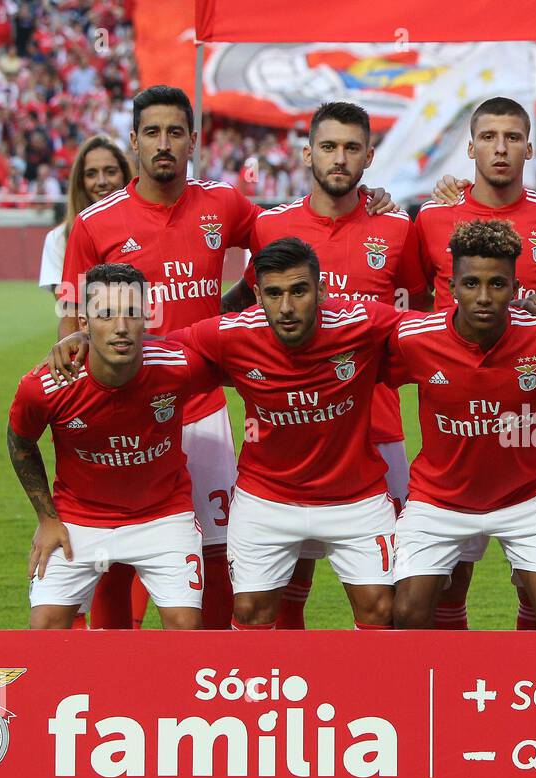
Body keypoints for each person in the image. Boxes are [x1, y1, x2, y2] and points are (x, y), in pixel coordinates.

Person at [48, 239, 416, 631]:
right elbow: (156, 348)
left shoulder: (362, 323)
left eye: (299, 291)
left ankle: (366, 693)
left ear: (321, 290)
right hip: (267, 498)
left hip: (354, 496)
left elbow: (433, 332)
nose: (287, 307)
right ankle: (258, 692)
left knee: (381, 608)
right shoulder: (232, 334)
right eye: (273, 294)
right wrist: (89, 339)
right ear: (256, 295)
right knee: (250, 612)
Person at [218, 101, 428, 629]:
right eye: (329, 147)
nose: (340, 159)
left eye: (352, 148)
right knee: (286, 585)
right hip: (290, 430)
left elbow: (421, 313)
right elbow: (240, 309)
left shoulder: (397, 228)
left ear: (369, 156)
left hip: (376, 432)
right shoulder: (271, 227)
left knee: (389, 595)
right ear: (308, 152)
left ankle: (380, 700)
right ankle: (297, 701)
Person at [58, 85, 258, 630]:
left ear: (193, 140)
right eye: (152, 133)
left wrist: (230, 309)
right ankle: (115, 680)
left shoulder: (224, 204)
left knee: (217, 554)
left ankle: (208, 680)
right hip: (126, 413)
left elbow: (280, 247)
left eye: (175, 132)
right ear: (134, 141)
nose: (163, 143)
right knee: (114, 559)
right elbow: (74, 319)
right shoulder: (96, 223)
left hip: (202, 409)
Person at [418, 97, 536, 631]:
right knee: (451, 575)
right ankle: (450, 693)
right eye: (488, 136)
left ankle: (523, 696)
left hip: (532, 415)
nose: (500, 147)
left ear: (531, 147)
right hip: (456, 416)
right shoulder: (432, 216)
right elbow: (410, 301)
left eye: (512, 137)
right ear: (469, 147)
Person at [386, 220, 536, 630]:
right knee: (406, 614)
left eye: (498, 284)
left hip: (526, 498)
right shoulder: (414, 339)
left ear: (516, 287)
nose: (484, 297)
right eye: (471, 283)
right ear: (452, 287)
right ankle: (441, 690)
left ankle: (531, 692)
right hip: (440, 498)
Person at [8, 263, 217, 630]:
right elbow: (20, 440)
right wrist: (47, 517)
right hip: (78, 519)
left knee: (187, 629)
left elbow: (247, 366)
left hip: (162, 516)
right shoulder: (47, 385)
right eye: (105, 314)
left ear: (147, 317)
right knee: (44, 629)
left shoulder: (178, 366)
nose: (121, 327)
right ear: (84, 324)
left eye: (132, 313)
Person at [39, 135, 131, 296]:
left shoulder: (146, 225)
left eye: (110, 172)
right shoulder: (59, 239)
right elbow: (70, 313)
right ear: (80, 182)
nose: (101, 181)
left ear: (125, 174)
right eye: (91, 174)